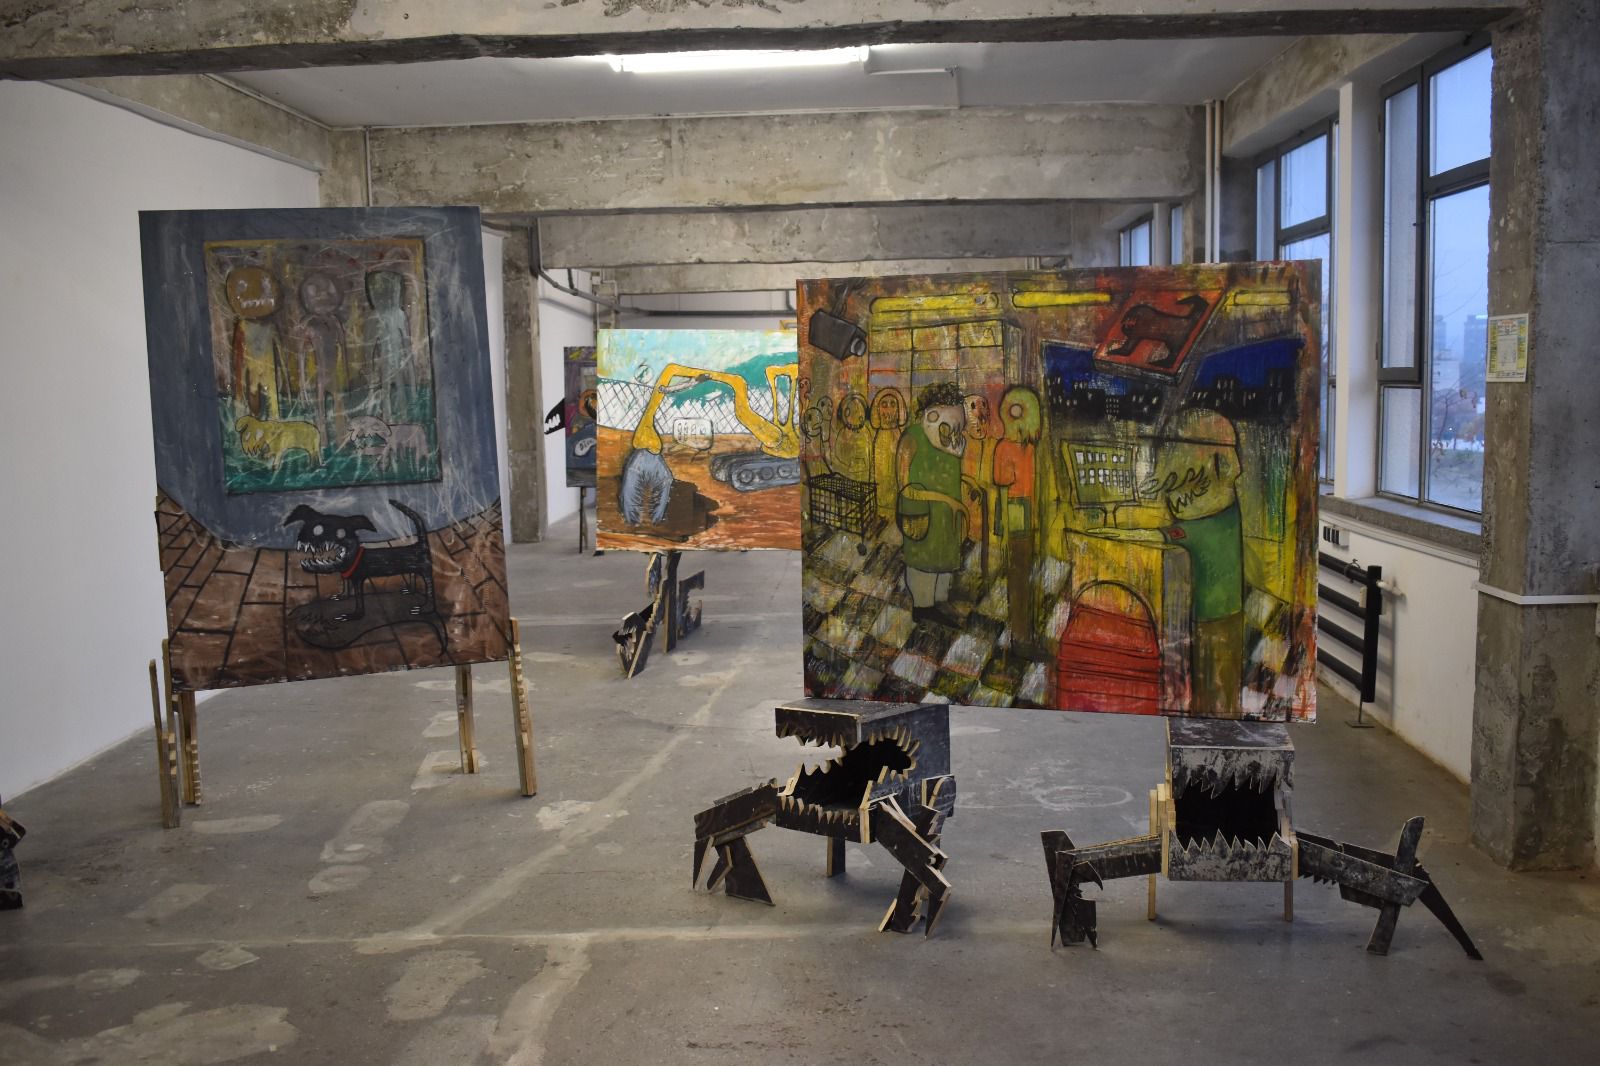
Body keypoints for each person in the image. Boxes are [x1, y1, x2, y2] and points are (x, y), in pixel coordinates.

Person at [1091, 408, 1245, 717]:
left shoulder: (1208, 525)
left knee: (1216, 699)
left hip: (1215, 621)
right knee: (1207, 695)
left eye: (1189, 485)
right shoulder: (1214, 515)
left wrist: (1109, 533)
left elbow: (1159, 535)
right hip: (1207, 618)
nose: (1177, 501)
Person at [896, 382, 967, 624]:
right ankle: (923, 607)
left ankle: (938, 603)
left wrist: (966, 487)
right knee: (923, 560)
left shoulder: (953, 441)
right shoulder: (912, 438)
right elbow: (905, 488)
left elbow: (948, 473)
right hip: (922, 513)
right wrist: (948, 500)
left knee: (944, 558)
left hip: (947, 517)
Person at [992, 386, 1042, 653]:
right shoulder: (1004, 447)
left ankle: (1024, 633)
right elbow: (1002, 491)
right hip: (1014, 516)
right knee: (1018, 576)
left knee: (1027, 576)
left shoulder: (1031, 449)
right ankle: (1020, 636)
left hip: (1029, 516)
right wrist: (1004, 530)